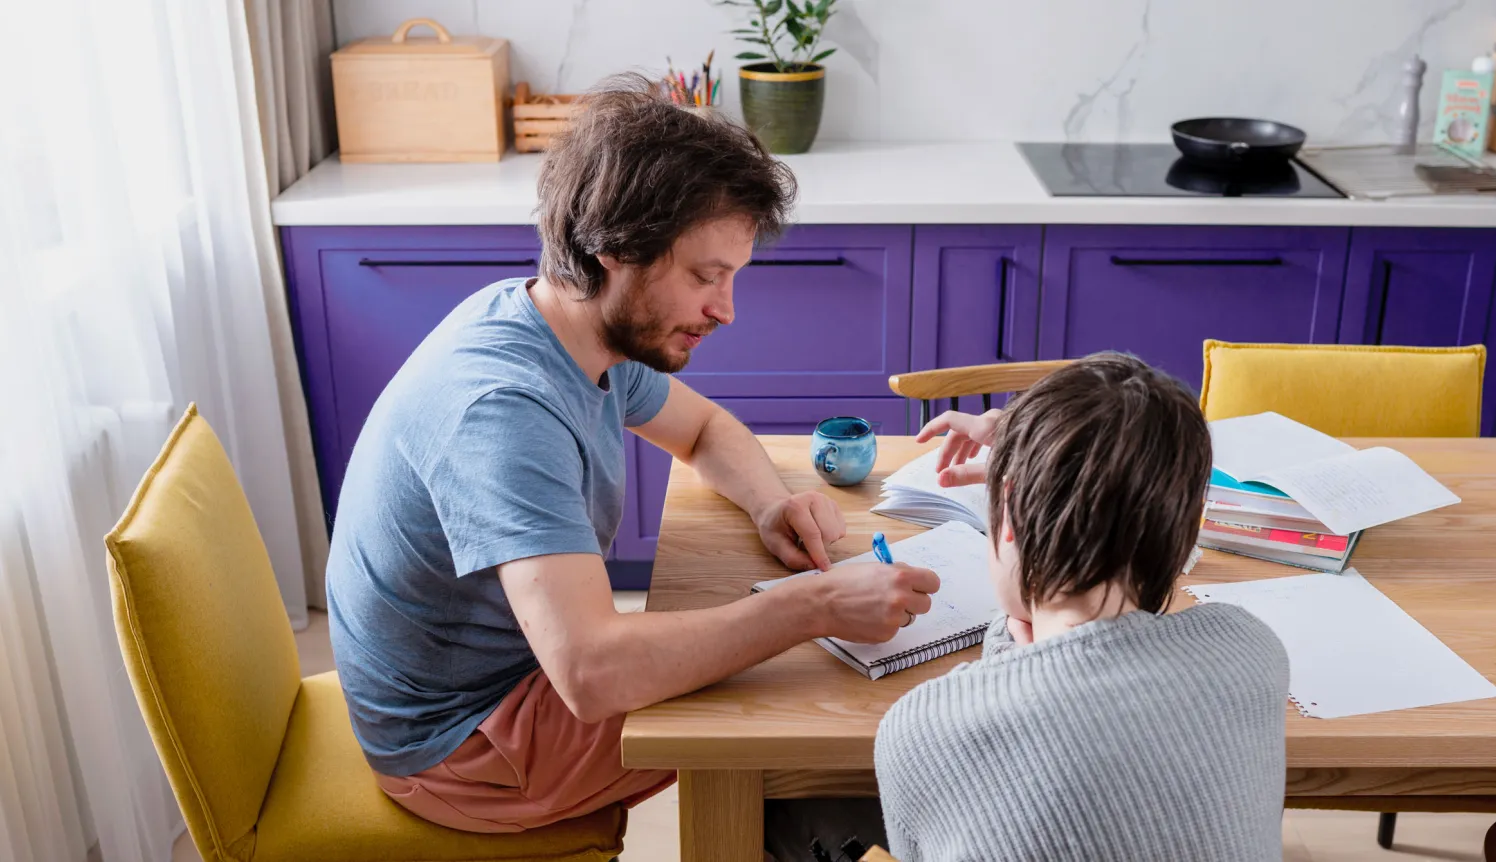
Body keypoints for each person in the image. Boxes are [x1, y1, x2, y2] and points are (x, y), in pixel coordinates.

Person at [325, 73, 940, 836]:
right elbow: (591, 671)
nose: (726, 310)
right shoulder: (503, 408)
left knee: (803, 671)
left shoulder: (572, 333)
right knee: (829, 705)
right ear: (616, 248)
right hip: (466, 750)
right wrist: (812, 605)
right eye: (705, 277)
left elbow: (706, 430)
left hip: (513, 683)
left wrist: (769, 502)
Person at [873, 353, 1290, 861]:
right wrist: (1040, 461)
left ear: (1008, 520)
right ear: (1186, 532)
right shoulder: (1251, 648)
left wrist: (1033, 466)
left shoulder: (922, 728)